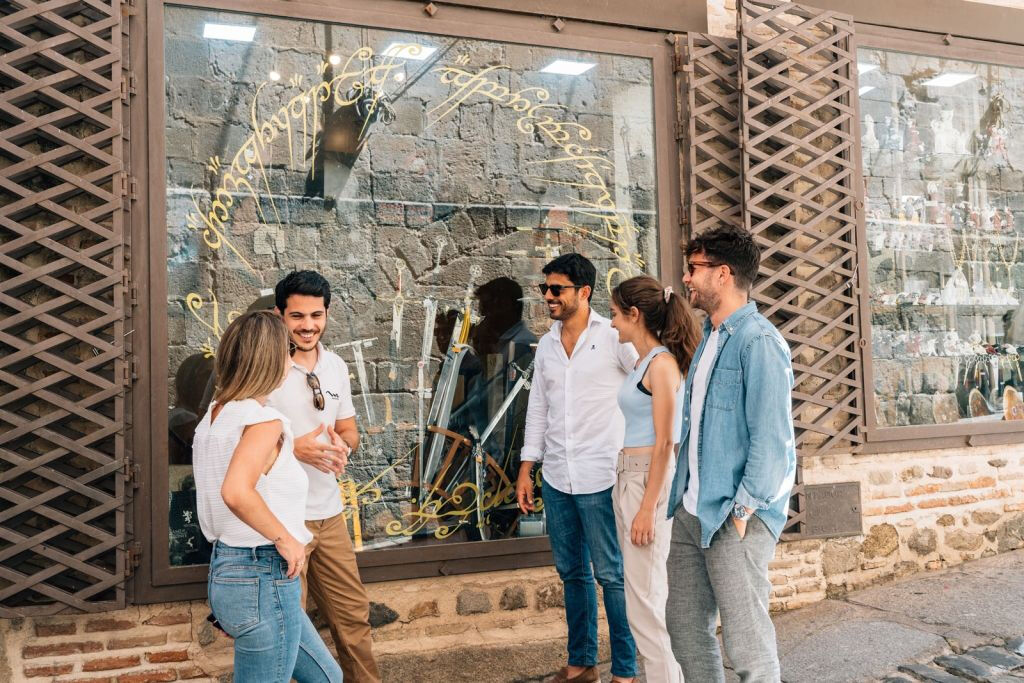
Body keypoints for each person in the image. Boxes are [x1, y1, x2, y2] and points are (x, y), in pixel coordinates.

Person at [665, 225, 797, 683]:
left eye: (694, 269)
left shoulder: (758, 342)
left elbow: (772, 439)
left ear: (722, 274)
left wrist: (742, 510)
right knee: (684, 627)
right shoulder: (710, 338)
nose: (686, 279)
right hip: (692, 509)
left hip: (733, 512)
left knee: (747, 645)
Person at [193, 310, 343, 683]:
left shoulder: (214, 417)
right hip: (262, 573)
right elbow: (235, 491)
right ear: (272, 358)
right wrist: (286, 540)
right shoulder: (263, 420)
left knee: (327, 678)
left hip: (230, 573)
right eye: (286, 350)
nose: (290, 358)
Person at [516, 253, 639, 683]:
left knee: (612, 575)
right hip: (557, 477)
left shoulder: (613, 337)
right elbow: (538, 408)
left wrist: (637, 451)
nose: (548, 296)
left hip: (603, 475)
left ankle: (626, 669)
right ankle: (582, 662)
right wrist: (526, 468)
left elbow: (651, 389)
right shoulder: (547, 343)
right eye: (544, 288)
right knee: (572, 573)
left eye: (557, 289)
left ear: (583, 292)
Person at [266, 271, 381, 683]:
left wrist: (342, 446)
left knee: (353, 620)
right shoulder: (264, 365)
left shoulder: (335, 366)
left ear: (327, 314)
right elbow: (236, 438)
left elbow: (349, 429)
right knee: (286, 632)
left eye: (316, 315)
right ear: (280, 315)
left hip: (329, 515)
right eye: (297, 315)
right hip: (279, 521)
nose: (308, 325)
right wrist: (294, 448)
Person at [608, 276, 701, 683]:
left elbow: (666, 443)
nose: (611, 324)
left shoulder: (661, 366)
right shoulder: (643, 363)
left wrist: (648, 508)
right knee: (641, 600)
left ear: (634, 315)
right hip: (628, 477)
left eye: (614, 315)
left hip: (647, 482)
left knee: (645, 604)